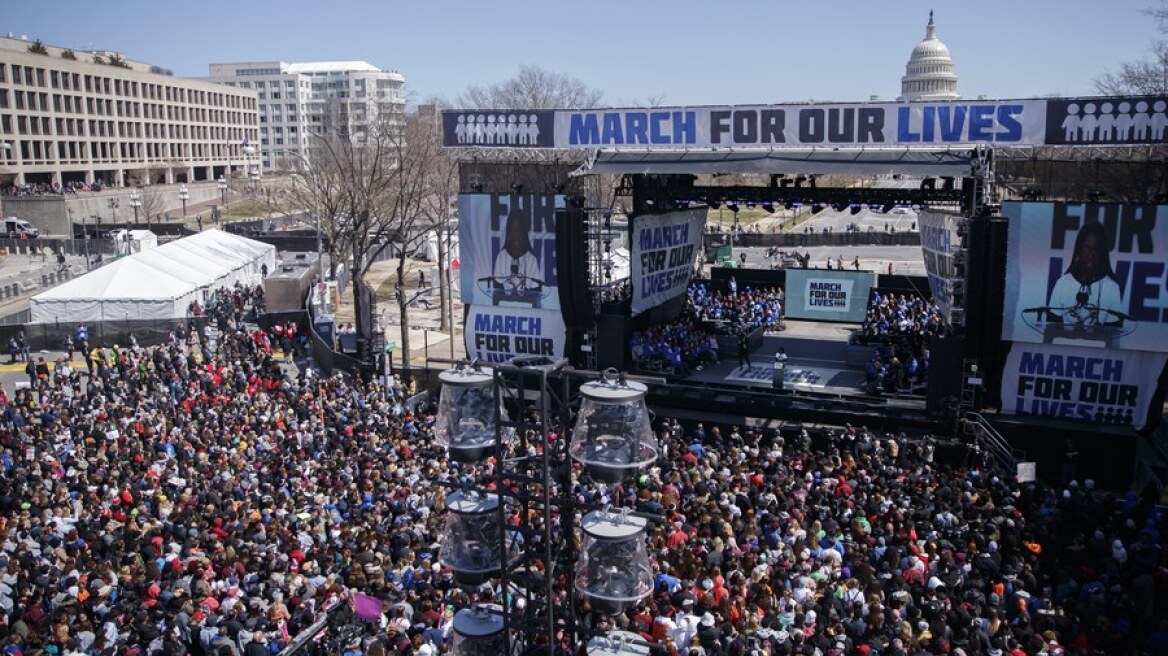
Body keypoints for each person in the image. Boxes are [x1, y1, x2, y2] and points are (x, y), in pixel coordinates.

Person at [1046, 220, 1124, 327]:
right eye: (1086, 249)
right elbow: (1050, 330)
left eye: (1095, 250)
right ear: (1078, 250)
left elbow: (1114, 337)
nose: (1090, 256)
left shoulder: (1111, 288)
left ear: (1102, 254)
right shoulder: (1062, 283)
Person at [492, 205, 542, 294]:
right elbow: (497, 291)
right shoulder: (501, 257)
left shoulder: (531, 259)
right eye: (514, 230)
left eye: (520, 230)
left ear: (524, 232)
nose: (518, 235)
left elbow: (537, 293)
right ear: (509, 232)